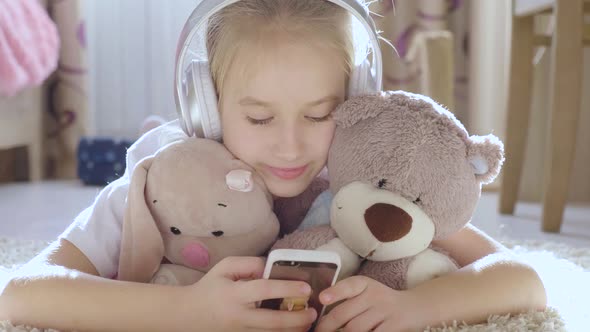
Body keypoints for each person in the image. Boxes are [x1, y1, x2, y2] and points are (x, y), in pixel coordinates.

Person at [0, 1, 546, 331]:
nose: (290, 147)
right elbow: (25, 294)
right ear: (206, 106)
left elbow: (521, 282)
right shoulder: (167, 178)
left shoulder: (358, 177)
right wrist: (186, 313)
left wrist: (416, 310)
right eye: (259, 118)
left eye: (320, 113)